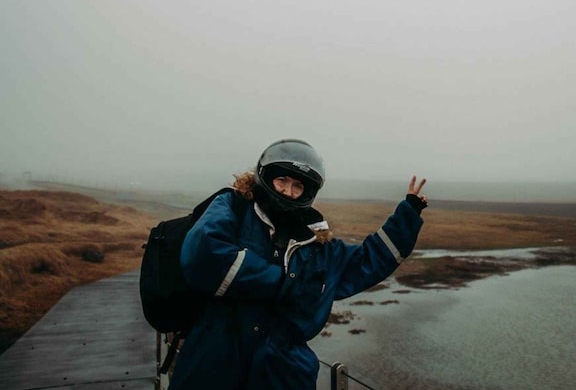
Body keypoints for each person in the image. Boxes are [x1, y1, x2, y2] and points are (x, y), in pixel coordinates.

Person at [169, 138, 429, 389]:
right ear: (265, 177)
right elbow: (204, 255)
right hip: (214, 365)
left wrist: (407, 215)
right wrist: (280, 283)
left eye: (298, 186)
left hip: (284, 373)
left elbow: (367, 261)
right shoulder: (233, 208)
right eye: (281, 180)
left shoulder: (317, 248)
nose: (288, 191)